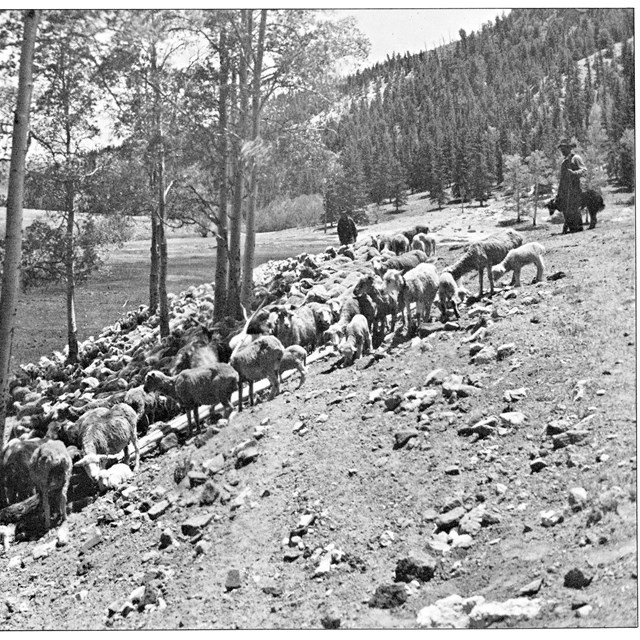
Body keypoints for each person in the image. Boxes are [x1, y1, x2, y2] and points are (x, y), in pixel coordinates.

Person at [555, 137, 587, 233]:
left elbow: (584, 170)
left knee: (574, 209)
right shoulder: (564, 162)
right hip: (564, 191)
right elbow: (562, 179)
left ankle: (578, 229)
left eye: (564, 149)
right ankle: (571, 228)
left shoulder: (576, 158)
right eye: (561, 149)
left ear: (569, 148)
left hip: (575, 189)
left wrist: (574, 173)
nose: (562, 151)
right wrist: (559, 193)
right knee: (566, 209)